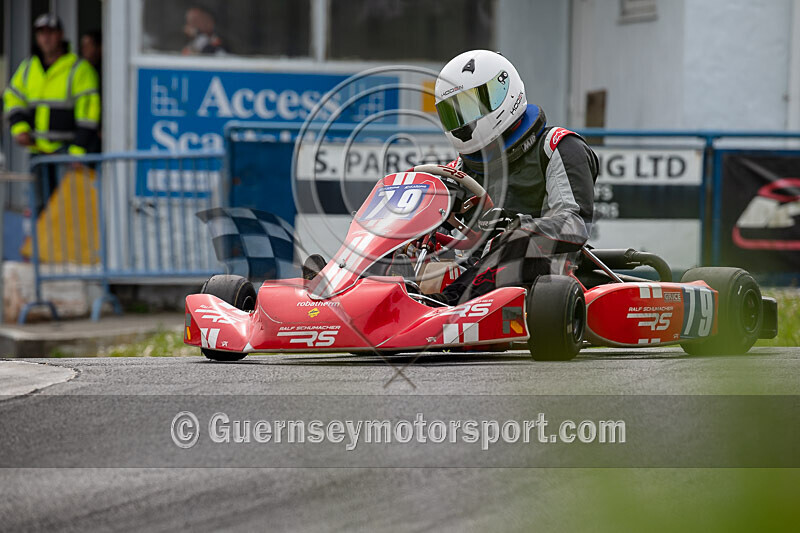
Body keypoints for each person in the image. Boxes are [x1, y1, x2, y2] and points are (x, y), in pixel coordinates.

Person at [425, 49, 599, 306]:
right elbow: (438, 225)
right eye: (455, 113)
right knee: (406, 237)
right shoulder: (459, 168)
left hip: (544, 275)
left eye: (470, 107)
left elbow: (574, 225)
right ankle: (368, 302)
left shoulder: (556, 146)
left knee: (517, 237)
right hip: (472, 268)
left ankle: (447, 306)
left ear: (502, 92)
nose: (462, 122)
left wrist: (518, 225)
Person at [3, 14, 100, 208]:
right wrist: (19, 127)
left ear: (61, 35)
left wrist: (78, 150)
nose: (46, 38)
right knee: (40, 207)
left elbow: (88, 112)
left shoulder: (78, 69)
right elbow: (12, 97)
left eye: (50, 33)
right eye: (41, 34)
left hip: (67, 152)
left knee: (67, 209)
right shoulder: (29, 67)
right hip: (38, 151)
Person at [80, 30, 103, 153]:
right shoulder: (81, 71)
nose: (84, 50)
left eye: (88, 46)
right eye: (83, 46)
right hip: (85, 132)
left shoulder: (105, 72)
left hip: (98, 134)